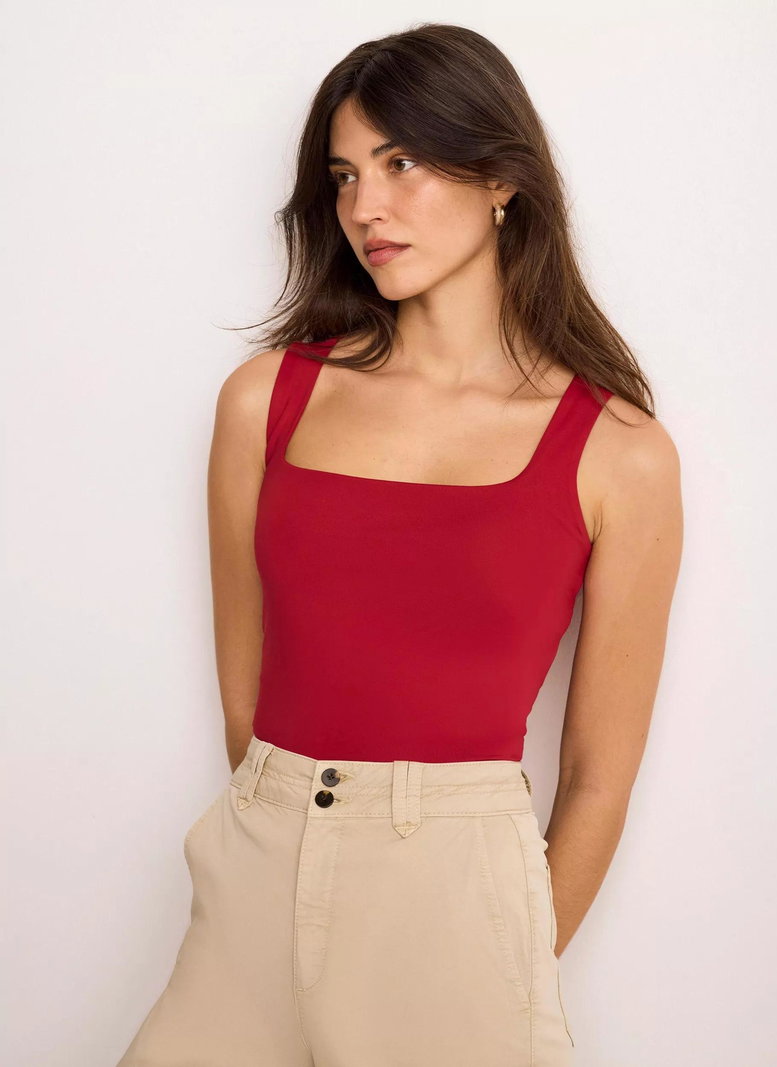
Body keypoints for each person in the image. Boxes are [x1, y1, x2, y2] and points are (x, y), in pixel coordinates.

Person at [115, 22, 683, 1067]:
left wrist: (512, 960)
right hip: (257, 875)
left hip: (455, 901)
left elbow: (597, 774)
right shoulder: (264, 401)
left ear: (501, 177)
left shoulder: (617, 451)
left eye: (401, 162)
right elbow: (246, 701)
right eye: (343, 177)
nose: (364, 207)